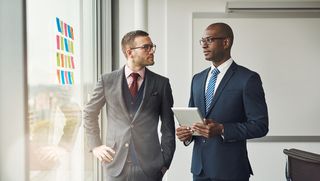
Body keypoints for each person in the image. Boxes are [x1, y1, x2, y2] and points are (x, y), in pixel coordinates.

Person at [176, 22, 269, 181]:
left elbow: (260, 126)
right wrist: (187, 134)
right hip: (200, 170)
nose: (204, 45)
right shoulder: (197, 79)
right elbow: (194, 121)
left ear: (226, 42)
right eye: (202, 41)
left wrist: (222, 129)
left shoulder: (247, 79)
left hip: (231, 171)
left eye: (210, 40)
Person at [83, 30, 176, 181]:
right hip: (115, 166)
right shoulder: (107, 80)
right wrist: (95, 146)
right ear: (130, 52)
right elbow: (89, 113)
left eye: (152, 47)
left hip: (150, 168)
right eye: (146, 47)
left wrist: (165, 162)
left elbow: (168, 126)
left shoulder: (161, 84)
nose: (151, 51)